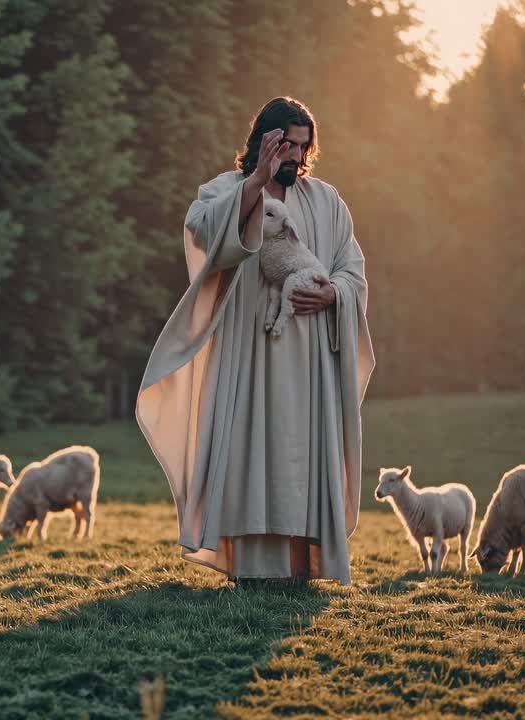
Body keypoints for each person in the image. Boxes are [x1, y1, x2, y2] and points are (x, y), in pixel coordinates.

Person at [136, 96, 375, 585]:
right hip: (247, 351)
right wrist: (256, 184)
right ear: (265, 141)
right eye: (287, 146)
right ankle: (250, 568)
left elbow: (352, 270)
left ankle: (300, 565)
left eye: (303, 148)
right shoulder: (224, 190)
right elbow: (205, 235)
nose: (296, 157)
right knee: (249, 451)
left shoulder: (326, 201)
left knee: (301, 456)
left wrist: (333, 295)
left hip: (310, 358)